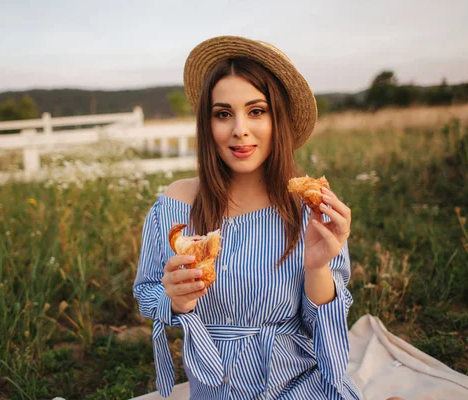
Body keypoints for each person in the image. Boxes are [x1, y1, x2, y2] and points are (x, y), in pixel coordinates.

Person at [133, 35, 360, 399]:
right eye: (223, 114)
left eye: (257, 111)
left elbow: (324, 329)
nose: (240, 129)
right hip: (216, 384)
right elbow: (147, 292)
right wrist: (175, 300)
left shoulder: (309, 210)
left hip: (299, 381)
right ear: (208, 124)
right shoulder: (176, 206)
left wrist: (317, 267)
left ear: (277, 120)